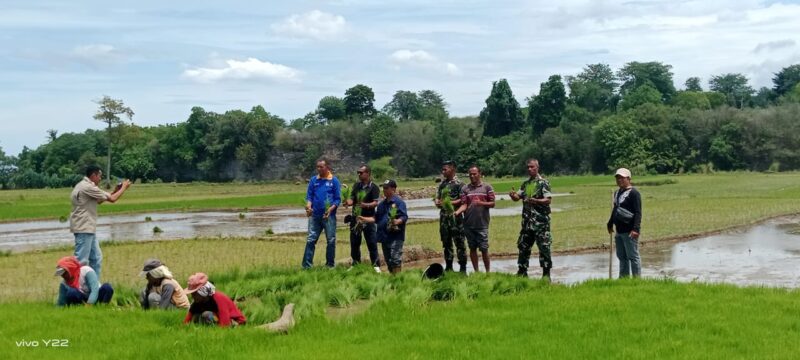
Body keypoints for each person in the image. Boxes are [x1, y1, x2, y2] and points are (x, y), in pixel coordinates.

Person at [69, 165, 131, 279]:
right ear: (93, 175)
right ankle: (75, 288)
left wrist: (115, 191)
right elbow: (112, 199)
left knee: (96, 258)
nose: (100, 179)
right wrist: (124, 188)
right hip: (84, 228)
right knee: (81, 261)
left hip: (88, 228)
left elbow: (100, 199)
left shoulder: (82, 185)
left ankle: (94, 286)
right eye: (99, 176)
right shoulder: (88, 187)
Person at [509, 159, 553, 279]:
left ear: (537, 168)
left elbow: (548, 199)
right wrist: (513, 196)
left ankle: (546, 275)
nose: (529, 169)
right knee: (523, 246)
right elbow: (518, 196)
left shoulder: (543, 183)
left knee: (544, 247)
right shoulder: (526, 184)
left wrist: (536, 201)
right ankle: (522, 271)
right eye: (528, 167)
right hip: (527, 223)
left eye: (532, 167)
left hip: (541, 223)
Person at [359, 180, 408, 274]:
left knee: (395, 259)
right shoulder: (381, 205)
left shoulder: (399, 203)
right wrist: (364, 219)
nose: (384, 190)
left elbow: (404, 216)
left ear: (393, 189)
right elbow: (375, 218)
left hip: (395, 237)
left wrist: (397, 221)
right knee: (388, 260)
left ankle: (398, 280)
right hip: (384, 237)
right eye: (383, 188)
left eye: (386, 188)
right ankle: (393, 278)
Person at [301, 158, 342, 269]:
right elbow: (309, 196)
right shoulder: (314, 180)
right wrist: (308, 206)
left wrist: (331, 209)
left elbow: (337, 200)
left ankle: (330, 265)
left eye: (321, 167)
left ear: (327, 167)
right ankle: (306, 266)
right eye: (317, 167)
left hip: (329, 216)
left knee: (331, 240)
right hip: (315, 215)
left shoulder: (334, 181)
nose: (318, 169)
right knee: (311, 239)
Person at [454, 166, 495, 273]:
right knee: (472, 248)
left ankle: (488, 272)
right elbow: (464, 205)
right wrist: (457, 212)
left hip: (482, 224)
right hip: (468, 224)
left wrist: (481, 203)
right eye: (470, 174)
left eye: (474, 174)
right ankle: (476, 271)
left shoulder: (487, 187)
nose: (472, 176)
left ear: (479, 174)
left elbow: (492, 203)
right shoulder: (465, 189)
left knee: (484, 248)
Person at [607, 168, 643, 278]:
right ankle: (624, 278)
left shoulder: (634, 193)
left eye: (622, 178)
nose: (619, 180)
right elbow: (615, 209)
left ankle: (637, 279)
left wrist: (636, 229)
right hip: (619, 230)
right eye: (618, 178)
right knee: (622, 256)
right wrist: (610, 223)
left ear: (629, 179)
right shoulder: (617, 193)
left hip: (630, 231)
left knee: (633, 256)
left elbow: (638, 212)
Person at [345, 165, 381, 272]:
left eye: (361, 172)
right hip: (356, 218)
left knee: (371, 242)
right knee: (355, 242)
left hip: (368, 218)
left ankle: (376, 265)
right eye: (358, 173)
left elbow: (375, 202)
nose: (359, 174)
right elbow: (352, 199)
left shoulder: (374, 187)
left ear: (368, 173)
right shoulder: (356, 186)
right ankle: (355, 263)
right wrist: (348, 202)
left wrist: (365, 205)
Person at [434, 160, 467, 273]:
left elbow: (462, 200)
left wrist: (448, 203)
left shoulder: (460, 184)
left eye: (445, 169)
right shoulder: (442, 184)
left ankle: (462, 267)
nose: (443, 172)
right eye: (442, 169)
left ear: (453, 169)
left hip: (455, 218)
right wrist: (438, 202)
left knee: (459, 243)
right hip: (444, 218)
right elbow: (438, 198)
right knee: (446, 242)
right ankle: (449, 267)